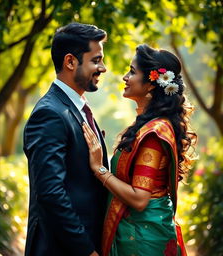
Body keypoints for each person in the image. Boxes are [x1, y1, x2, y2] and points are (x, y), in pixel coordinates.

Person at [82, 44, 197, 256]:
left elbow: (139, 199)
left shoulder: (153, 134)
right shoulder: (148, 126)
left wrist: (100, 169)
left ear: (152, 84)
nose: (125, 77)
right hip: (143, 231)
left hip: (142, 239)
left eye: (132, 72)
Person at [23, 22, 108, 256]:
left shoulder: (75, 107)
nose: (103, 68)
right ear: (70, 62)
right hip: (61, 248)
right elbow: (50, 193)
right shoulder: (49, 113)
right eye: (96, 60)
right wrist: (86, 250)